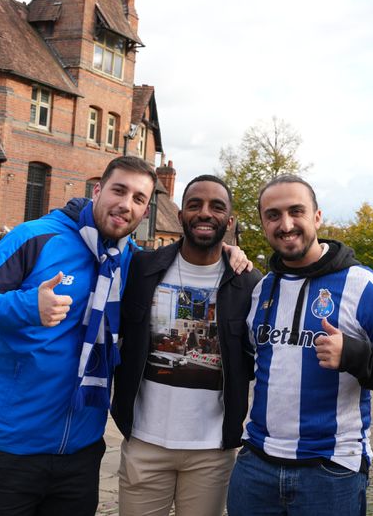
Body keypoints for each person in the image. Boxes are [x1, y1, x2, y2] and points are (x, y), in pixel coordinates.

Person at [0, 156, 157, 516]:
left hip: (81, 454)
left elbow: (188, 266)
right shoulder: (36, 236)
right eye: (119, 190)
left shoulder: (131, 259)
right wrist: (27, 307)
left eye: (139, 198)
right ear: (97, 190)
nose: (126, 204)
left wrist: (229, 253)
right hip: (9, 454)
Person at [226, 174, 373, 516]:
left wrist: (353, 354)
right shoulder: (262, 289)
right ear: (263, 224)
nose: (286, 224)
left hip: (330, 471)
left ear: (317, 217)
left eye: (296, 211)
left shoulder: (362, 284)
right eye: (273, 215)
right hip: (255, 466)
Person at [112, 175, 262, 516]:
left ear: (230, 220)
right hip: (144, 442)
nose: (205, 213)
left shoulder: (249, 283)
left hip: (211, 450)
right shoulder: (141, 267)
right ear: (180, 215)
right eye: (195, 205)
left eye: (216, 206)